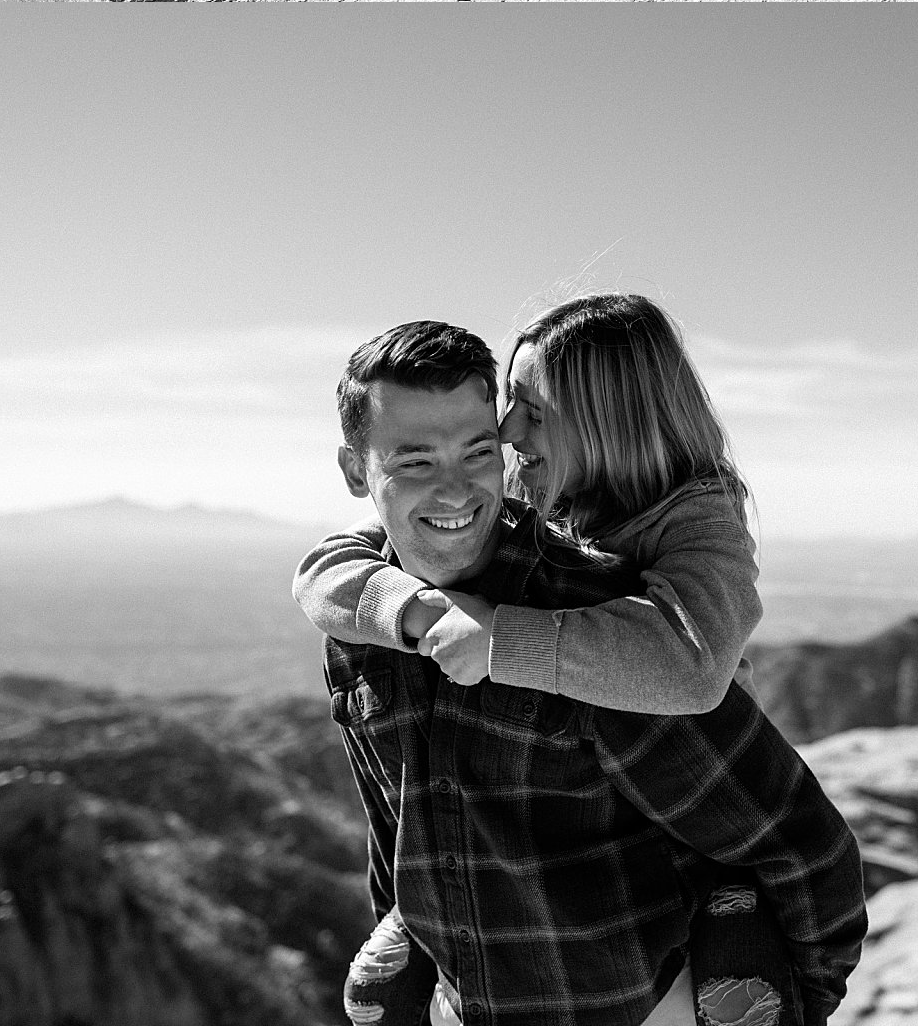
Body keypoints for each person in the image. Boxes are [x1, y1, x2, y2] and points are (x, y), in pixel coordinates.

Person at [296, 310, 864, 1026]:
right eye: (414, 461)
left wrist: (805, 1004)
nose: (505, 438)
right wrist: (413, 935)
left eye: (492, 439)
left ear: (603, 426)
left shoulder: (634, 588)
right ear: (356, 471)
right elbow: (395, 821)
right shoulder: (368, 624)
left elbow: (793, 829)